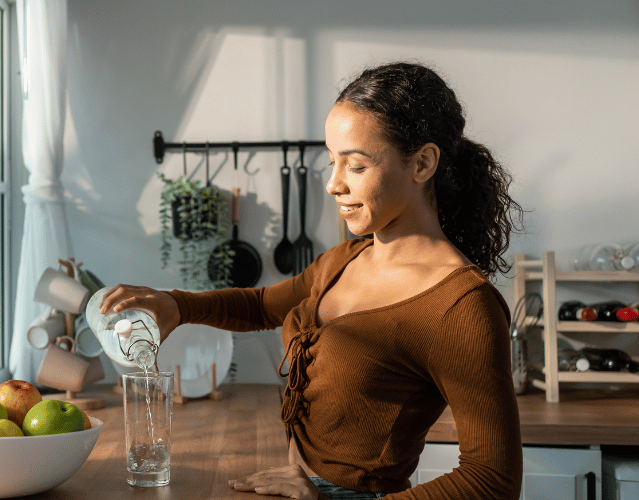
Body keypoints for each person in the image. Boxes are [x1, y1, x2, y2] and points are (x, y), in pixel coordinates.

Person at [100, 61, 525, 500]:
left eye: (356, 166)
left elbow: (492, 480)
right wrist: (179, 306)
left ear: (422, 163)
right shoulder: (346, 259)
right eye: (332, 161)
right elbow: (264, 305)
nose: (333, 184)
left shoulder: (462, 307)